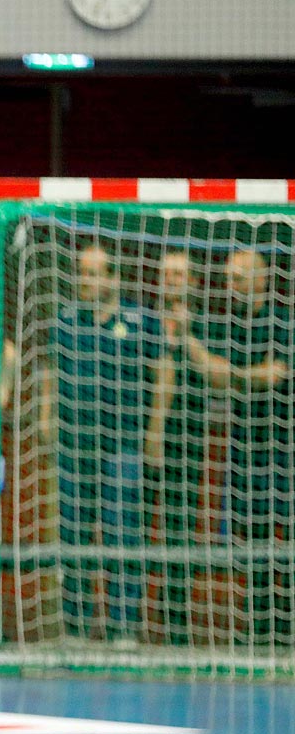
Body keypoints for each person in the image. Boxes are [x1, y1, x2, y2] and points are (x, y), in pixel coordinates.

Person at [44, 244, 161, 644]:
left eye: (95, 273)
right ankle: (76, 626)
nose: (87, 280)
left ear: (113, 278)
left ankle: (124, 627)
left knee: (122, 529)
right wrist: (46, 416)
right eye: (83, 272)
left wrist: (155, 430)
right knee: (74, 530)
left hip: (124, 440)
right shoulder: (64, 320)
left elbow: (163, 371)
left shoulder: (142, 320)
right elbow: (49, 371)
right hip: (76, 440)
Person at [180, 248, 293, 645]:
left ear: (260, 280)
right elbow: (214, 376)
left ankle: (286, 630)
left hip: (285, 447)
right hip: (245, 449)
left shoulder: (283, 321)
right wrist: (202, 352)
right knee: (252, 541)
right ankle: (261, 631)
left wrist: (230, 373)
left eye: (238, 279)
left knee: (288, 539)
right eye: (227, 280)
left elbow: (273, 376)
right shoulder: (226, 325)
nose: (231, 287)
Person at [144, 249, 207, 642]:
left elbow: (219, 373)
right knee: (135, 527)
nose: (172, 280)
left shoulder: (209, 324)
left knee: (181, 528)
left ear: (195, 282)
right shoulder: (142, 320)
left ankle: (176, 621)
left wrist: (187, 337)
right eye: (166, 274)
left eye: (180, 274)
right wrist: (152, 430)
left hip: (190, 439)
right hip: (136, 437)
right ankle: (128, 625)